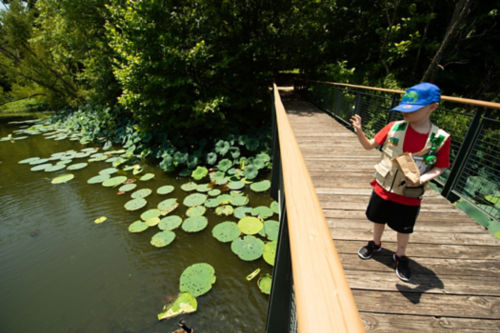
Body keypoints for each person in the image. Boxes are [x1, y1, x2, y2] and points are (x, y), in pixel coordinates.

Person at [349, 82, 451, 282]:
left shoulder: (440, 138)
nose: (406, 113)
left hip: (409, 196)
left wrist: (422, 179)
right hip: (383, 188)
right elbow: (370, 146)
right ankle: (375, 243)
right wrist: (359, 131)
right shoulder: (393, 127)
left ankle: (400, 255)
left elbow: (441, 167)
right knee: (377, 219)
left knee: (404, 228)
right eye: (404, 109)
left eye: (412, 110)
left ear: (433, 107)